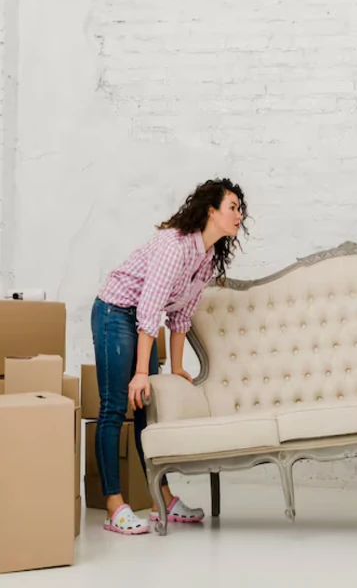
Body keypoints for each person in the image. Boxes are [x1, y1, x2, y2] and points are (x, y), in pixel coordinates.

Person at [91, 178, 248, 535]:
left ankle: (162, 499)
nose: (239, 215)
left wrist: (176, 367)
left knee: (147, 408)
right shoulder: (174, 246)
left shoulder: (206, 258)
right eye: (233, 207)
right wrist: (142, 372)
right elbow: (149, 308)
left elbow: (181, 315)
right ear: (211, 211)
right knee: (116, 406)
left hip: (140, 322)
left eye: (241, 209)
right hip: (115, 312)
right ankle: (114, 506)